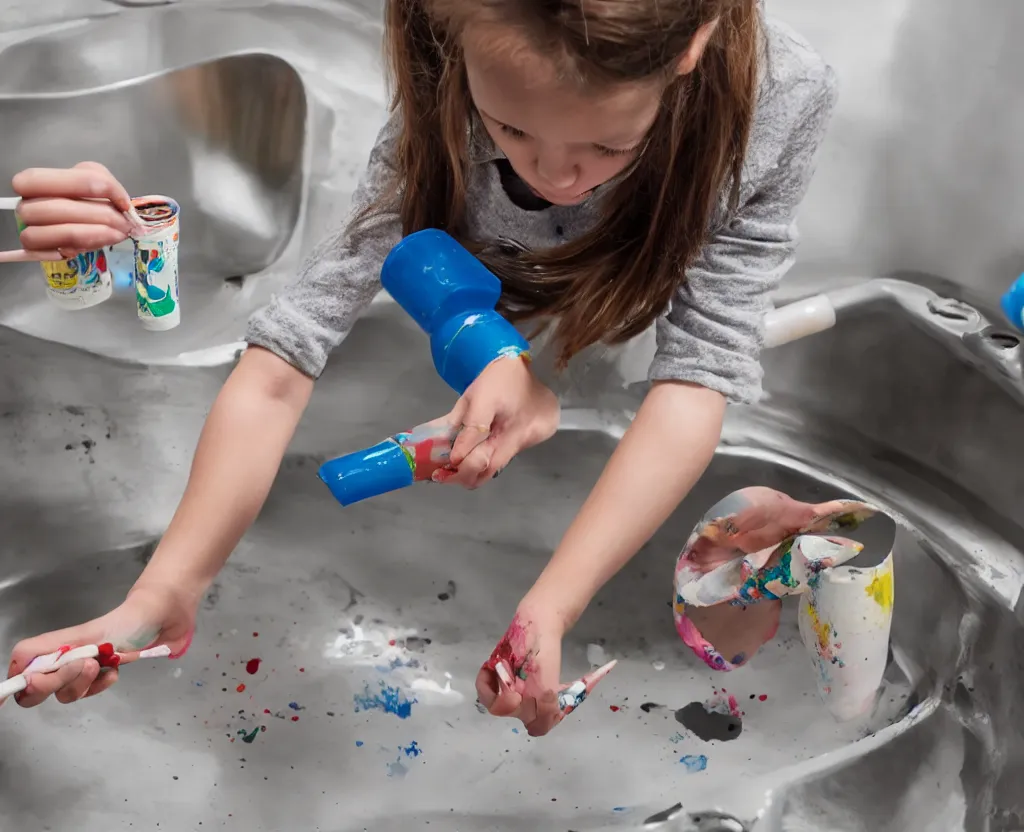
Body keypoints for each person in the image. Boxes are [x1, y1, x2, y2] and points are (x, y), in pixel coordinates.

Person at [2, 0, 837, 737]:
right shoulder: (452, 52)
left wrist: (551, 609)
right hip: (478, 302)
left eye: (609, 143)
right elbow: (280, 364)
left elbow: (697, 375)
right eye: (509, 130)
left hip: (608, 326)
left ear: (690, 46)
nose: (554, 175)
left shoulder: (776, 106)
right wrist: (162, 598)